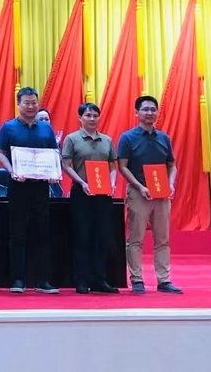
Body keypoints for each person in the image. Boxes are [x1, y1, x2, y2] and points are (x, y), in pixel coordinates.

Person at [0, 86, 60, 294]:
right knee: (18, 233)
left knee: (42, 232)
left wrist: (55, 172)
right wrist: (11, 170)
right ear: (18, 104)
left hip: (41, 186)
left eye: (34, 103)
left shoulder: (46, 128)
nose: (31, 106)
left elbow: (54, 152)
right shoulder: (9, 127)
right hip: (18, 185)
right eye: (26, 103)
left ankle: (43, 280)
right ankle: (18, 279)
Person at [118, 94, 183, 295]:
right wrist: (139, 187)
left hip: (161, 194)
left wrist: (170, 183)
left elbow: (172, 165)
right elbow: (122, 166)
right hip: (139, 193)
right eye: (145, 109)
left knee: (162, 239)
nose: (149, 113)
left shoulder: (164, 138)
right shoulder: (127, 138)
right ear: (136, 113)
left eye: (153, 109)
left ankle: (164, 279)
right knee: (135, 239)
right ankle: (137, 279)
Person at [61, 102, 120, 294]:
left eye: (95, 115)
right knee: (82, 236)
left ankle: (99, 279)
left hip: (103, 194)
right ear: (80, 118)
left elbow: (113, 165)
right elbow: (66, 165)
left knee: (101, 236)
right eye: (88, 115)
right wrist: (81, 182)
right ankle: (81, 280)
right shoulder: (72, 139)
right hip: (82, 193)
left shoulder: (107, 140)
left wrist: (112, 183)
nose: (92, 119)